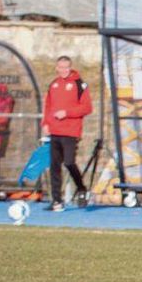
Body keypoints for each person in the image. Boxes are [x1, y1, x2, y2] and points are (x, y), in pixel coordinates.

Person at [41, 56, 93, 210]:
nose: (63, 70)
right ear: (56, 68)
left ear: (70, 67)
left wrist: (67, 112)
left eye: (66, 67)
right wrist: (45, 123)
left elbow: (87, 108)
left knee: (69, 162)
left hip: (71, 131)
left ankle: (82, 189)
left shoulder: (80, 84)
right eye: (60, 67)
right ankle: (57, 200)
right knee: (54, 165)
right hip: (55, 131)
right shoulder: (54, 84)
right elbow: (48, 107)